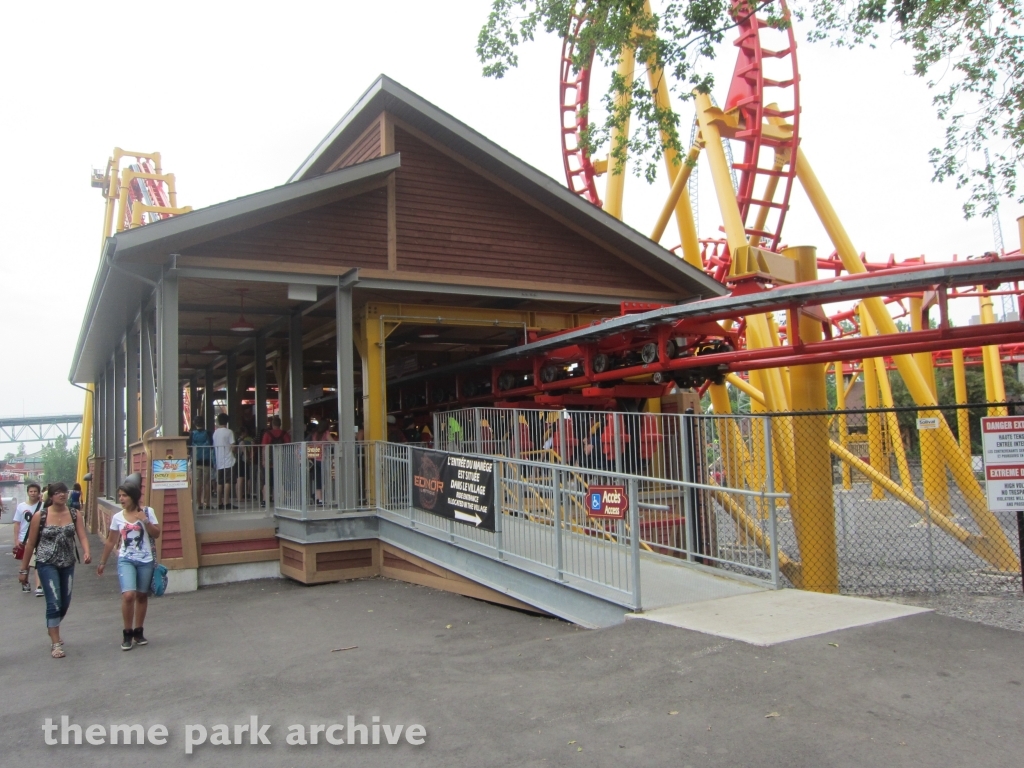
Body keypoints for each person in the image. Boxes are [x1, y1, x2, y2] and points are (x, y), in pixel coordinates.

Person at [19, 482, 91, 658]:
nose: (62, 495)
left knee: (64, 602)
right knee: (54, 601)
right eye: (58, 493)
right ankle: (56, 642)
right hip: (46, 562)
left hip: (67, 562)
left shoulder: (74, 514)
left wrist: (87, 551)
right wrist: (24, 570)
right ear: (50, 497)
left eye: (64, 492)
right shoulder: (40, 516)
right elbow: (30, 544)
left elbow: (81, 534)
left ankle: (52, 627)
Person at [97, 482, 160, 650]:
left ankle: (138, 631)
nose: (121, 499)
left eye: (124, 495)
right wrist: (102, 562)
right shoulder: (118, 517)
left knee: (141, 595)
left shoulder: (147, 512)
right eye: (119, 496)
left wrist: (145, 521)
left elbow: (157, 534)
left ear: (133, 497)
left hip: (145, 559)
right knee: (128, 595)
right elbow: (111, 540)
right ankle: (127, 632)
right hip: (126, 559)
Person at [13, 482, 43, 595]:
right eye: (31, 491)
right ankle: (25, 582)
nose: (33, 493)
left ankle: (39, 586)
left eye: (35, 491)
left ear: (39, 493)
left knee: (37, 562)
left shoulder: (43, 506)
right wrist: (16, 540)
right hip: (24, 539)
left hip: (39, 538)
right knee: (26, 563)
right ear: (27, 493)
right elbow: (17, 523)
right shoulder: (21, 506)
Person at [260, 415, 291, 506]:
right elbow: (288, 446)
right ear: (280, 424)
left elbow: (263, 448)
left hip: (269, 461)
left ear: (272, 424)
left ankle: (265, 501)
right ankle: (280, 499)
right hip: (281, 461)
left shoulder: (267, 434)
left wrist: (264, 460)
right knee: (280, 481)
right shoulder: (284, 434)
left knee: (267, 481)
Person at [188, 417, 214, 510]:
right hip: (207, 460)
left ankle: (198, 503)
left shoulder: (192, 434)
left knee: (197, 483)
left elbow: (189, 447)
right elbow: (212, 445)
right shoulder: (208, 433)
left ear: (195, 424)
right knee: (206, 483)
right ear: (204, 423)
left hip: (196, 461)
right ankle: (207, 503)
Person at [212, 413, 237, 509]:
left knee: (219, 482)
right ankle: (226, 502)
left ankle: (219, 502)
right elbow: (233, 446)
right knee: (228, 482)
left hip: (219, 461)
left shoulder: (215, 433)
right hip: (228, 460)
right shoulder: (229, 432)